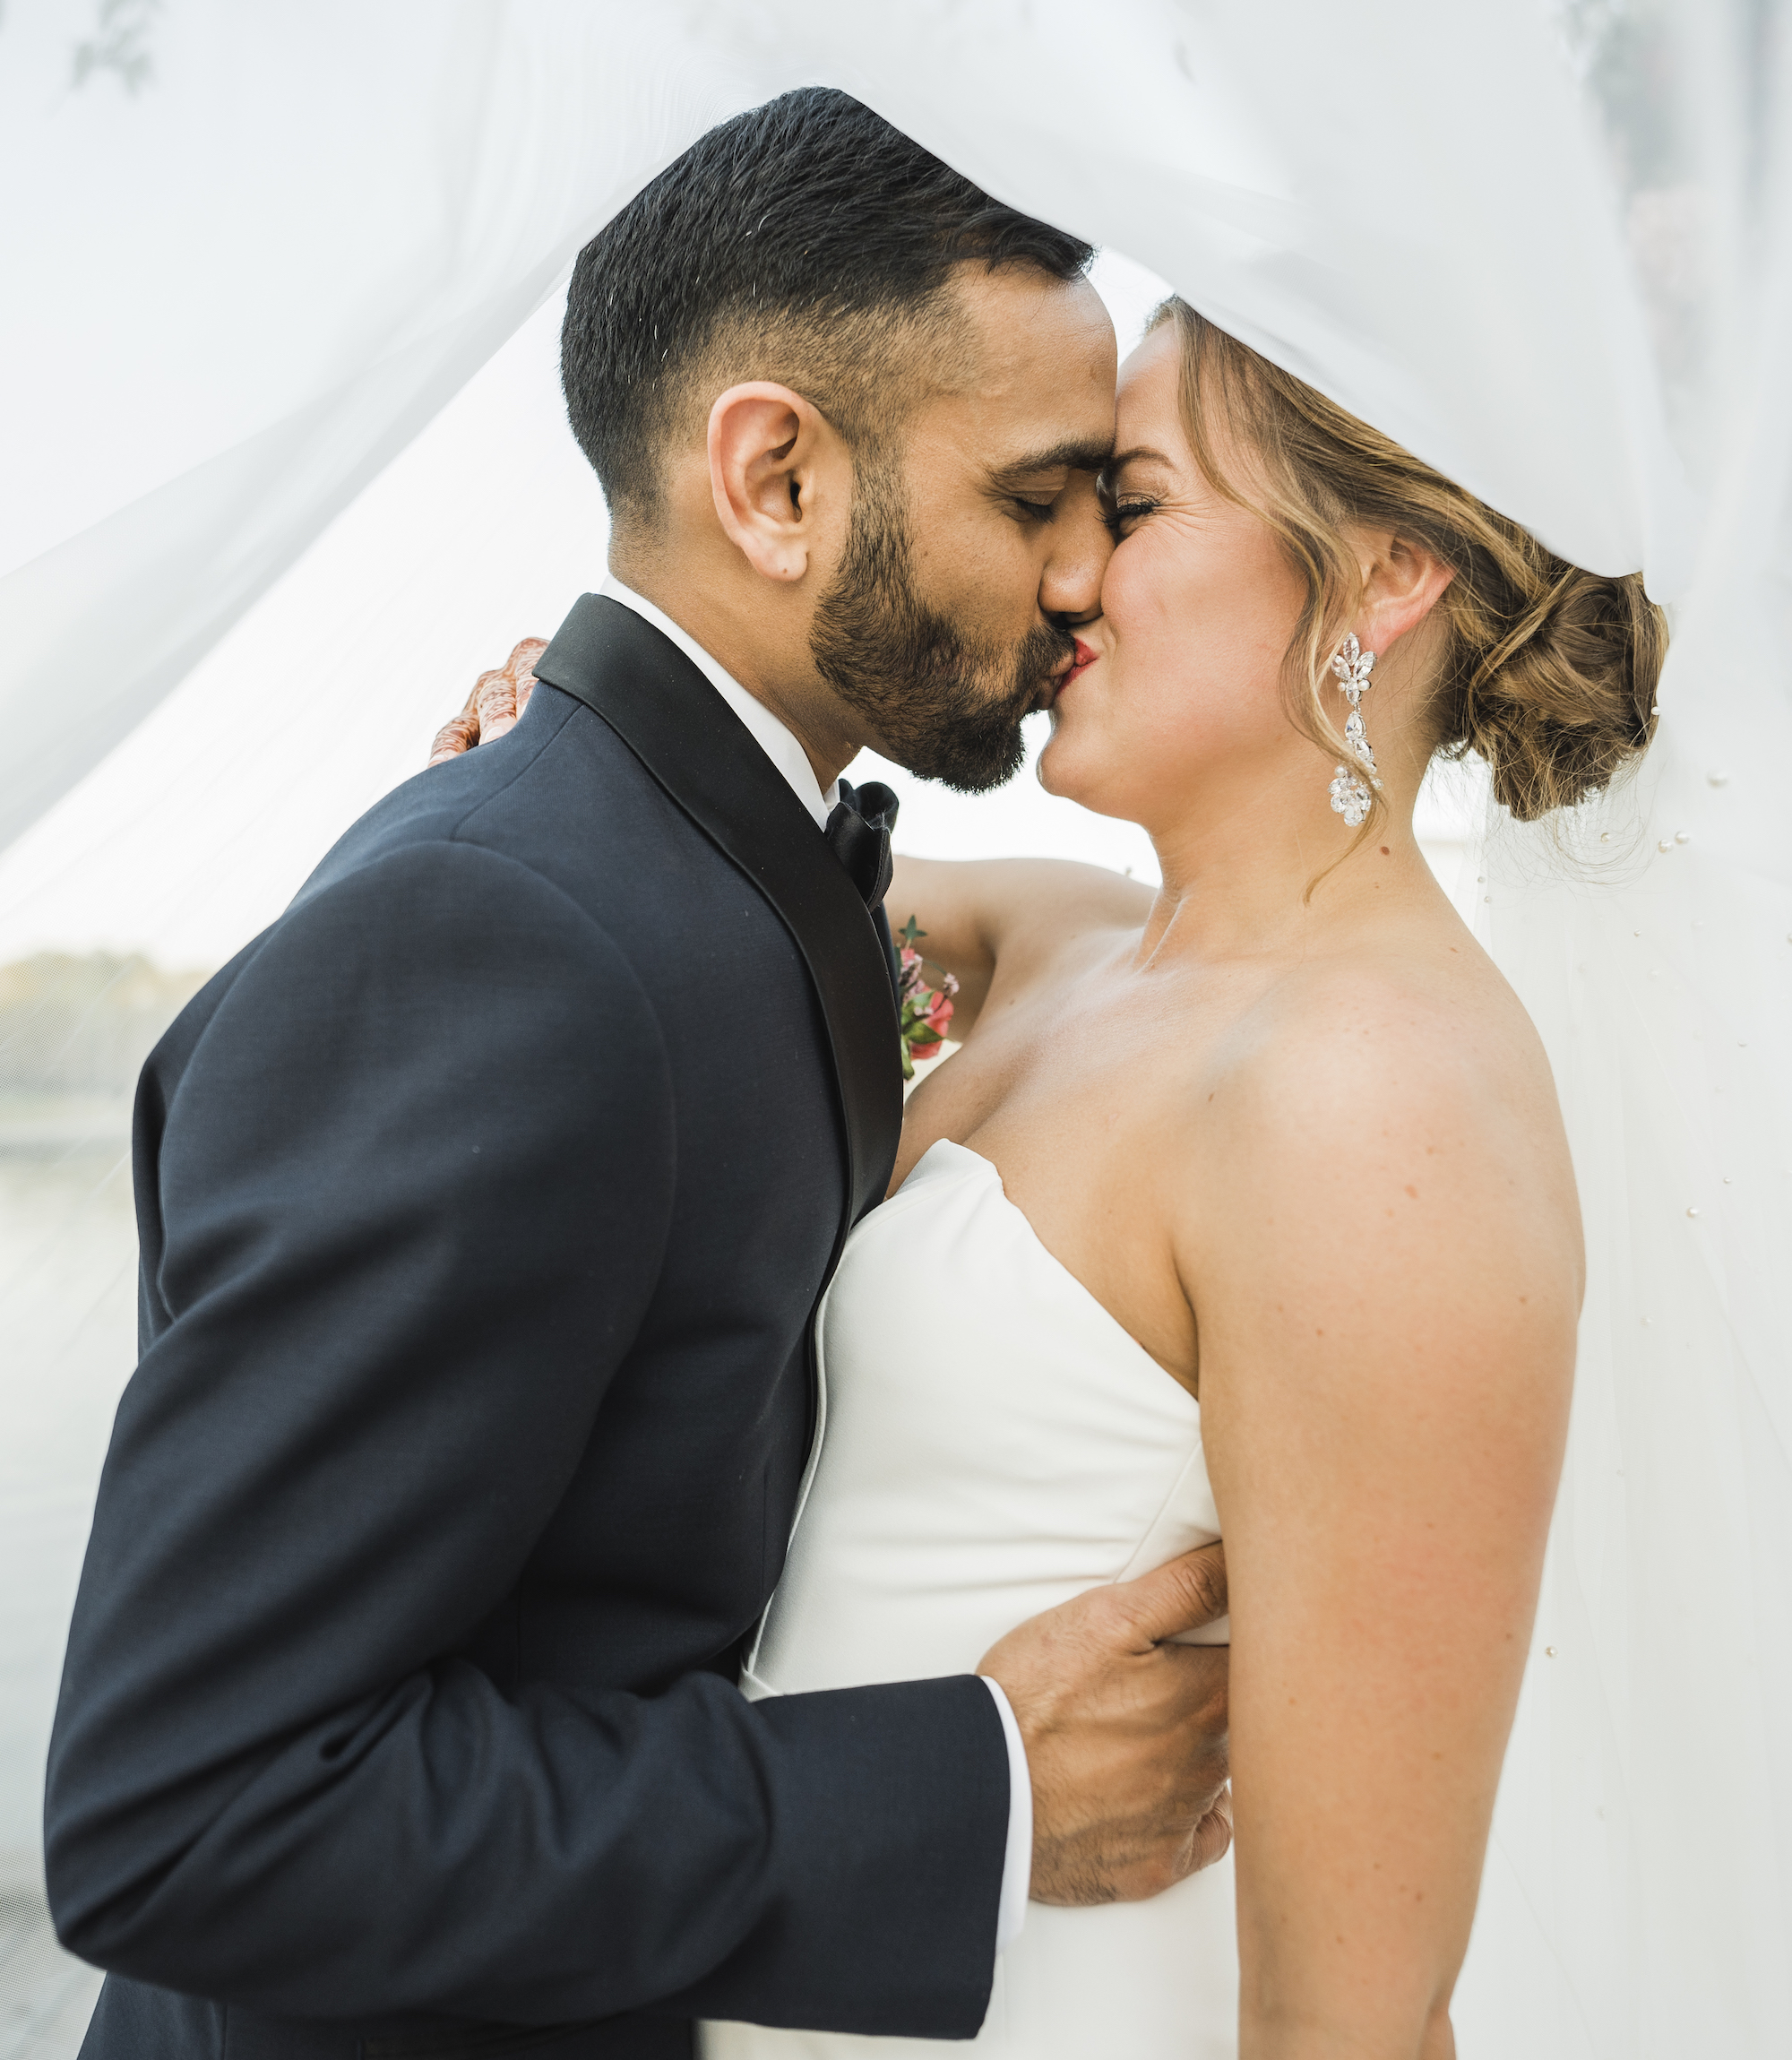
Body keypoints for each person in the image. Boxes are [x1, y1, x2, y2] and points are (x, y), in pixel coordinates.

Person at [42, 93, 1235, 2060]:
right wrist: (977, 1782)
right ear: (774, 477)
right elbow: (190, 1817)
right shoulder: (503, 943)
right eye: (1036, 501)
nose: (1085, 573)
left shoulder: (719, 867)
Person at [443, 304, 1665, 2056]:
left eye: (1137, 503)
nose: (1065, 571)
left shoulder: (1375, 1103)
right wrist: (547, 744)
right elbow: (683, 845)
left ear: (1385, 576)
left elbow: (1352, 2016)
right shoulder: (1065, 948)